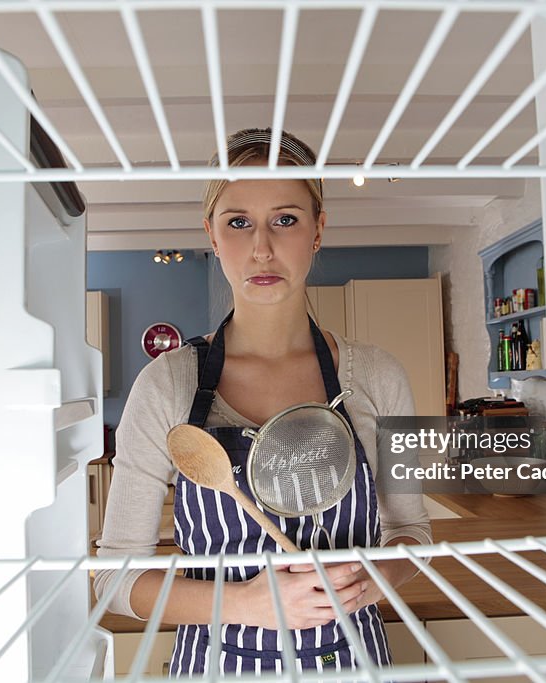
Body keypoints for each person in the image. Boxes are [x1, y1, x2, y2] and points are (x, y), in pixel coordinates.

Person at [95, 127, 431, 675]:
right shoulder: (168, 385)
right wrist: (248, 603)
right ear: (211, 233)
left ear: (318, 230)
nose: (262, 248)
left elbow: (411, 533)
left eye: (286, 219)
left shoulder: (376, 376)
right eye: (238, 222)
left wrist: (370, 583)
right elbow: (114, 578)